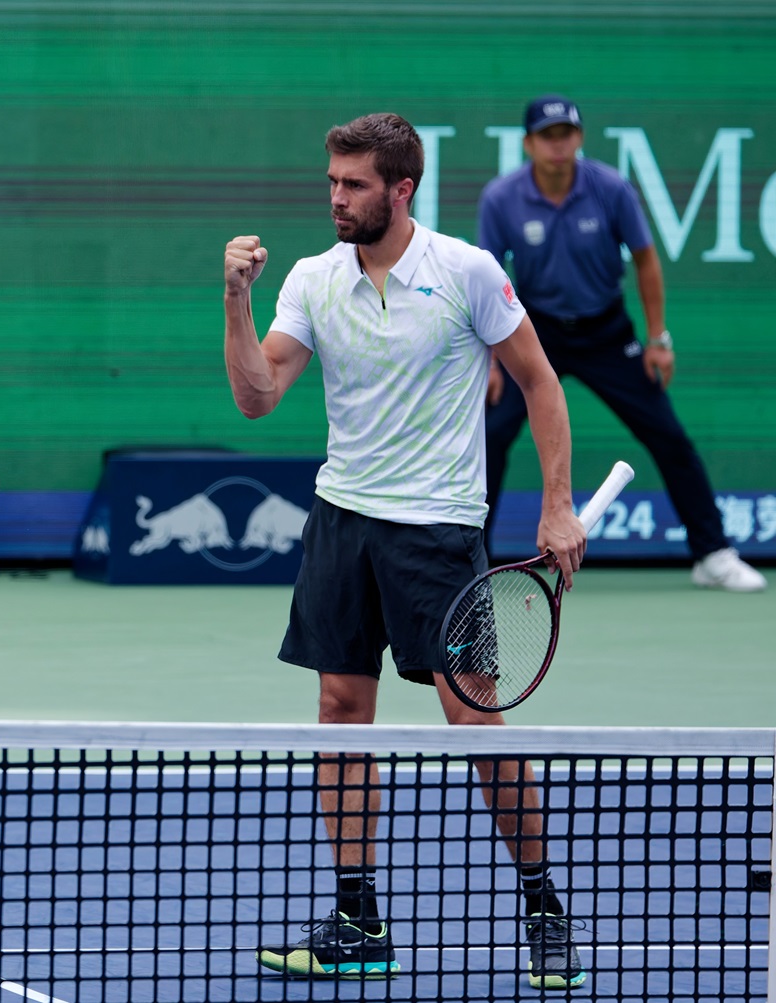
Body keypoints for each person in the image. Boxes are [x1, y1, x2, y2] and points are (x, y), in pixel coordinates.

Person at [223, 113, 590, 990]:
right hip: (342, 523)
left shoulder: (466, 272)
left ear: (401, 189)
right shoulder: (313, 279)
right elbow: (257, 396)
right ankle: (358, 918)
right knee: (340, 712)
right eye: (332, 183)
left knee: (474, 722)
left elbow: (539, 380)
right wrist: (235, 303)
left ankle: (543, 905)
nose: (337, 199)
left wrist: (557, 504)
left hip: (437, 530)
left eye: (353, 185)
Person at [478, 94, 765, 592]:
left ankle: (713, 552)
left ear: (579, 138)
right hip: (533, 330)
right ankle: (471, 561)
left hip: (605, 331)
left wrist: (658, 339)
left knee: (667, 434)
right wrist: (491, 361)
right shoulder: (501, 198)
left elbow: (646, 260)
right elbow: (485, 279)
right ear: (528, 144)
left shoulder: (610, 188)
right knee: (489, 438)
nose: (557, 144)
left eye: (565, 133)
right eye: (546, 136)